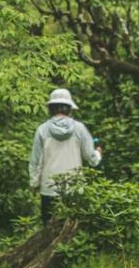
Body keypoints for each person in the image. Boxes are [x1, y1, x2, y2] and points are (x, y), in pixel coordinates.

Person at [29, 88, 102, 225]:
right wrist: (98, 153)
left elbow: (35, 162)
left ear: (50, 108)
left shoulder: (42, 130)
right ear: (69, 108)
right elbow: (91, 159)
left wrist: (34, 184)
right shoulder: (79, 128)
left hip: (48, 188)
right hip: (74, 188)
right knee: (72, 230)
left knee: (49, 230)